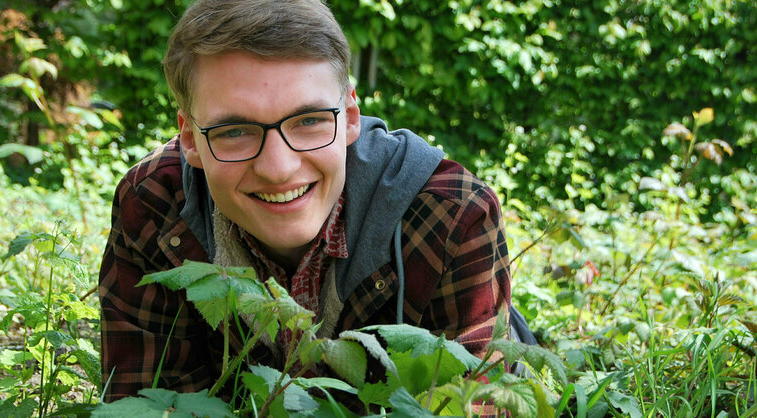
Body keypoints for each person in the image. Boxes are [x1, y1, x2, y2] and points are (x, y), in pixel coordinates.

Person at [98, 0, 511, 412]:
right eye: (234, 131)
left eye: (309, 120)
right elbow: (146, 405)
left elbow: (476, 403)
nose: (278, 169)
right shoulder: (153, 206)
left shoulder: (451, 216)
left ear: (350, 116)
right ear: (189, 139)